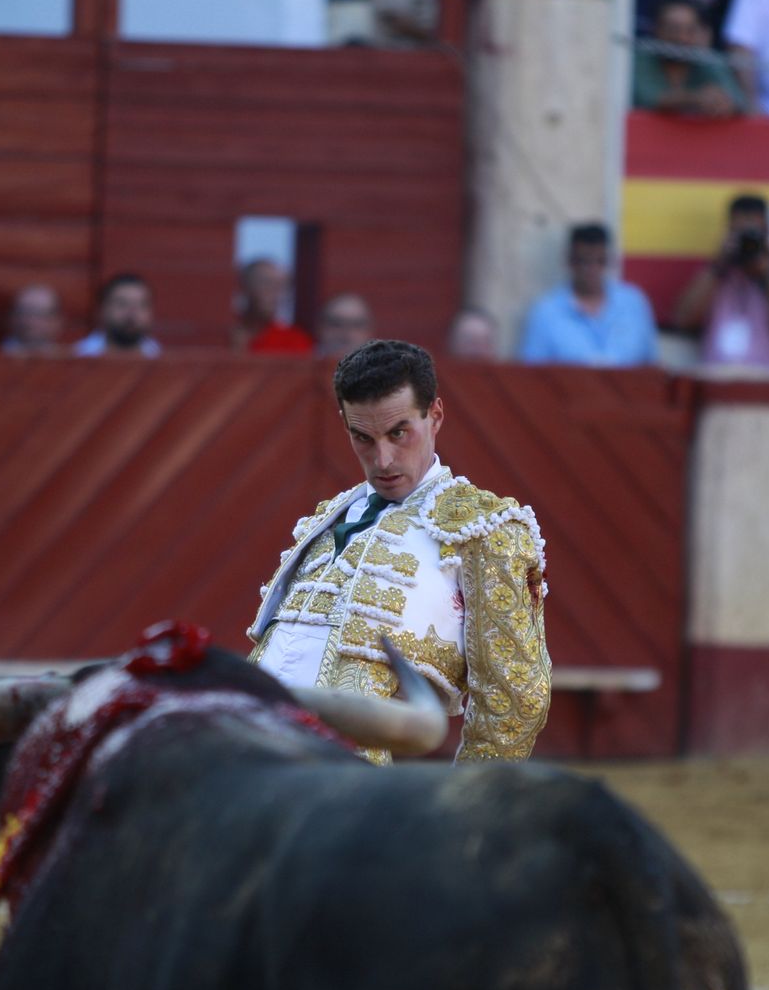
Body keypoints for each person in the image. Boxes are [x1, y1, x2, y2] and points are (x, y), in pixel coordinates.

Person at [248, 340, 552, 764]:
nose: (383, 459)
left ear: (436, 416)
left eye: (398, 433)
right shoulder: (327, 519)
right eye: (363, 437)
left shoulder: (486, 531)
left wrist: (467, 808)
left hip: (351, 783)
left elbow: (515, 697)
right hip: (246, 754)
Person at [672, 194, 769, 375]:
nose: (746, 244)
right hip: (719, 382)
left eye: (752, 235)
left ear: (768, 230)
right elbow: (683, 321)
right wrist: (717, 267)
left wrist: (767, 280)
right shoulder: (716, 271)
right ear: (728, 231)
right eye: (739, 233)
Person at [519, 223, 658, 366]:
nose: (593, 269)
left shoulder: (634, 303)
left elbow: (650, 367)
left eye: (600, 261)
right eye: (584, 262)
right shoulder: (545, 312)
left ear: (610, 261)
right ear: (569, 261)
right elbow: (532, 376)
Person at [633, 0, 746, 116]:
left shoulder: (707, 59)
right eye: (673, 29)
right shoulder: (640, 57)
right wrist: (695, 99)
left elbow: (739, 102)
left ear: (702, 34)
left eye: (690, 31)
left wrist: (723, 102)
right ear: (655, 29)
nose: (681, 38)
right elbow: (647, 98)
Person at [232, 258, 314, 355]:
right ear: (245, 286)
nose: (275, 292)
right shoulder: (224, 331)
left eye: (282, 286)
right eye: (266, 283)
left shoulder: (295, 340)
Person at [75, 273, 161, 358]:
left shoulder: (158, 357)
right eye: (122, 304)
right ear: (103, 309)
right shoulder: (78, 357)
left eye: (141, 305)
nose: (132, 314)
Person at [1, 284, 66, 356]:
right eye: (24, 313)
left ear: (57, 321)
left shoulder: (71, 357)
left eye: (41, 314)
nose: (31, 321)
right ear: (12, 317)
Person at [316, 292, 374, 359]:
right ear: (320, 328)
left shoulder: (381, 367)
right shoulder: (303, 365)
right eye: (337, 324)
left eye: (356, 325)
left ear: (369, 331)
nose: (346, 334)